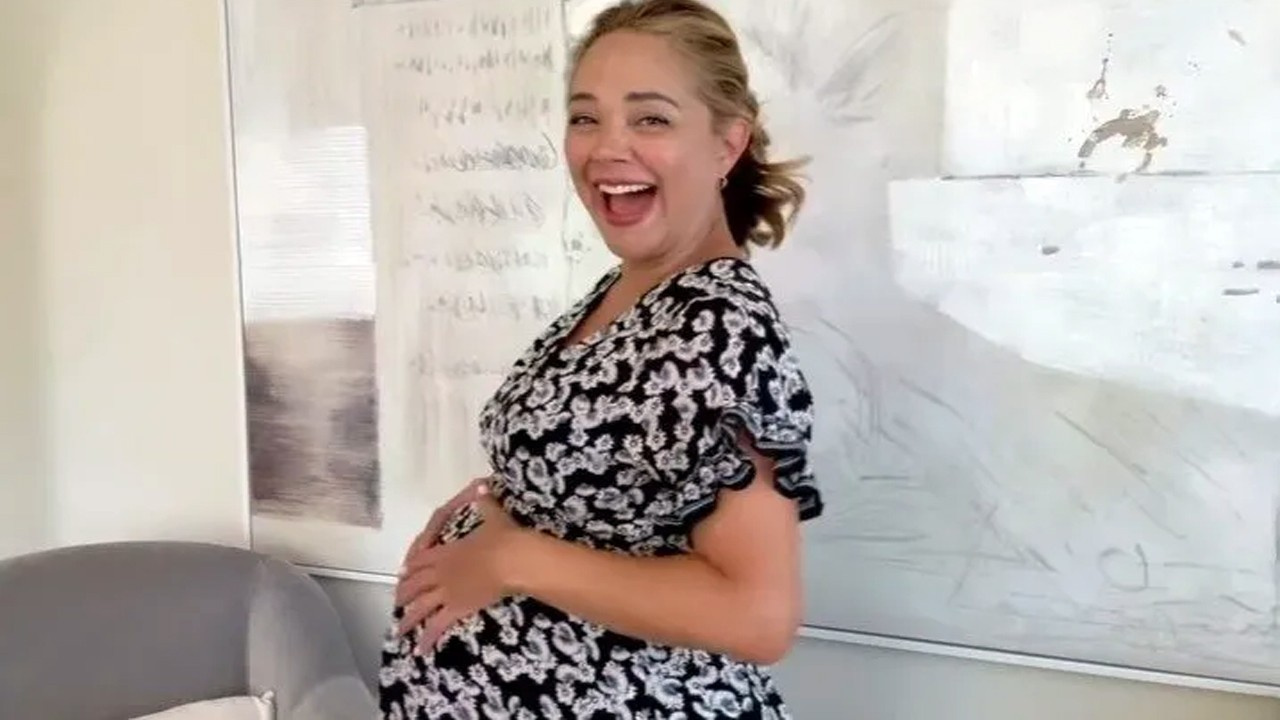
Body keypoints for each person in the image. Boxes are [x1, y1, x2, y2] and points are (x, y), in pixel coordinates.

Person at [379, 0, 824, 716]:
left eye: (650, 119)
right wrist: (498, 511)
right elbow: (610, 489)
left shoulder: (718, 326)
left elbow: (757, 615)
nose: (607, 148)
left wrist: (509, 558)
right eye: (586, 117)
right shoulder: (631, 289)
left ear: (727, 144)